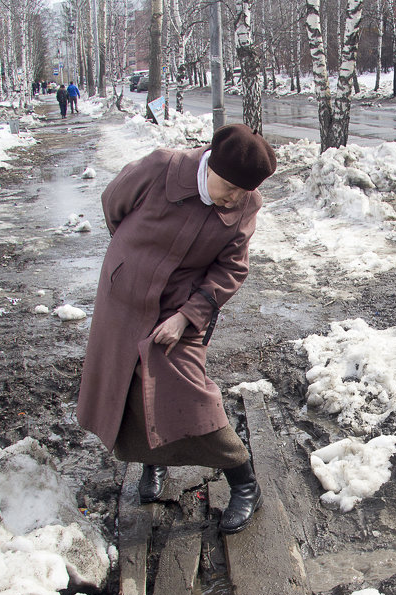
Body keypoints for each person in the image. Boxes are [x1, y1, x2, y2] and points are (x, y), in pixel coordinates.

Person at [77, 124, 277, 534]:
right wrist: (130, 262)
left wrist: (187, 315)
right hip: (124, 293)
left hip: (181, 303)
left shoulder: (245, 202)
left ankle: (244, 484)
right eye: (231, 188)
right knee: (130, 383)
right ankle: (154, 463)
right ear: (210, 165)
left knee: (186, 387)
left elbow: (232, 266)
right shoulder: (160, 167)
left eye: (244, 193)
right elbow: (113, 204)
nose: (236, 198)